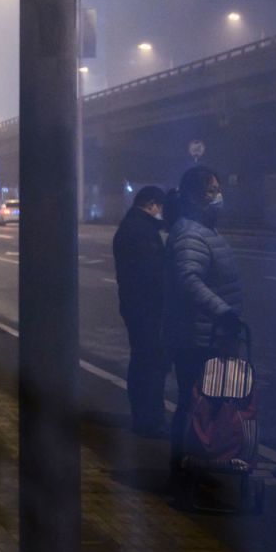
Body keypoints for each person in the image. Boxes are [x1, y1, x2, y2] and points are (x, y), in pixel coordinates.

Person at [163, 165, 244, 485]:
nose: (217, 197)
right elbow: (188, 280)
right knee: (192, 402)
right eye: (210, 191)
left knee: (204, 402)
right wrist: (222, 311)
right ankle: (184, 467)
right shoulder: (189, 233)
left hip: (208, 334)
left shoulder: (204, 229)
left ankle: (196, 462)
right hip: (195, 337)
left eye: (218, 190)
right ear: (194, 197)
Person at [112, 185, 168, 437]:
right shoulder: (141, 231)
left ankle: (144, 416)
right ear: (152, 204)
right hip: (145, 307)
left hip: (135, 305)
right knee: (149, 363)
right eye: (161, 207)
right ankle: (148, 420)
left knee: (143, 360)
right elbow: (152, 274)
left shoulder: (131, 226)